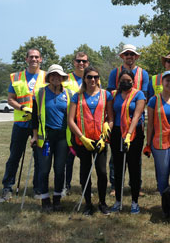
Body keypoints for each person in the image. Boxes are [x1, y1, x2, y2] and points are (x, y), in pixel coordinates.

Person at [0, 48, 46, 203]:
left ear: (41, 59)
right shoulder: (16, 77)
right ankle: (7, 188)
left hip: (39, 125)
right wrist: (21, 107)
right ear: (26, 59)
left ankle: (38, 188)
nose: (34, 59)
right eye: (31, 57)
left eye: (36, 57)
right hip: (20, 123)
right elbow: (10, 99)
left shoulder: (46, 77)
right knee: (14, 157)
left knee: (40, 158)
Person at [68, 66, 114, 216]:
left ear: (98, 78)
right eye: (89, 77)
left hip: (100, 140)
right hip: (83, 141)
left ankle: (102, 202)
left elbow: (111, 119)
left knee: (102, 172)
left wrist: (106, 132)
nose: (92, 79)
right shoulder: (77, 96)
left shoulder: (106, 95)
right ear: (85, 79)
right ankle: (88, 204)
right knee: (85, 172)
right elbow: (71, 121)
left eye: (95, 77)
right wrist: (82, 138)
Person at [107, 44, 149, 197]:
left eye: (132, 54)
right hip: (118, 121)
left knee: (135, 157)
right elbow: (110, 94)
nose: (129, 56)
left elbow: (144, 94)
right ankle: (114, 185)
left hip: (136, 120)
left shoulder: (143, 73)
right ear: (122, 57)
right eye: (127, 54)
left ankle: (135, 186)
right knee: (115, 157)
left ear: (136, 57)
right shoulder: (114, 72)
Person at [30, 64, 73, 212]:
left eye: (58, 76)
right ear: (48, 78)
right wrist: (35, 136)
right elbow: (34, 118)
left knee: (60, 169)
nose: (56, 78)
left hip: (62, 138)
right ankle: (45, 199)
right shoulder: (40, 93)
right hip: (46, 138)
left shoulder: (69, 94)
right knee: (44, 170)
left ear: (62, 78)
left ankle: (57, 199)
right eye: (52, 75)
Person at [109, 69, 145, 214]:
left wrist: (129, 135)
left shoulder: (139, 94)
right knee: (118, 168)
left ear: (133, 81)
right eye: (122, 81)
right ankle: (118, 200)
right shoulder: (113, 95)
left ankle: (135, 202)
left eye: (128, 81)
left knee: (134, 167)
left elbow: (136, 116)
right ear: (118, 82)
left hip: (134, 133)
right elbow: (110, 115)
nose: (125, 83)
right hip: (117, 132)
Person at [62, 52, 90, 195]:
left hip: (87, 126)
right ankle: (66, 186)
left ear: (88, 63)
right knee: (68, 158)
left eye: (84, 61)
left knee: (86, 159)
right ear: (74, 62)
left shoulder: (92, 78)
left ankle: (85, 187)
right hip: (69, 125)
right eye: (78, 61)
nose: (81, 63)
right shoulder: (66, 79)